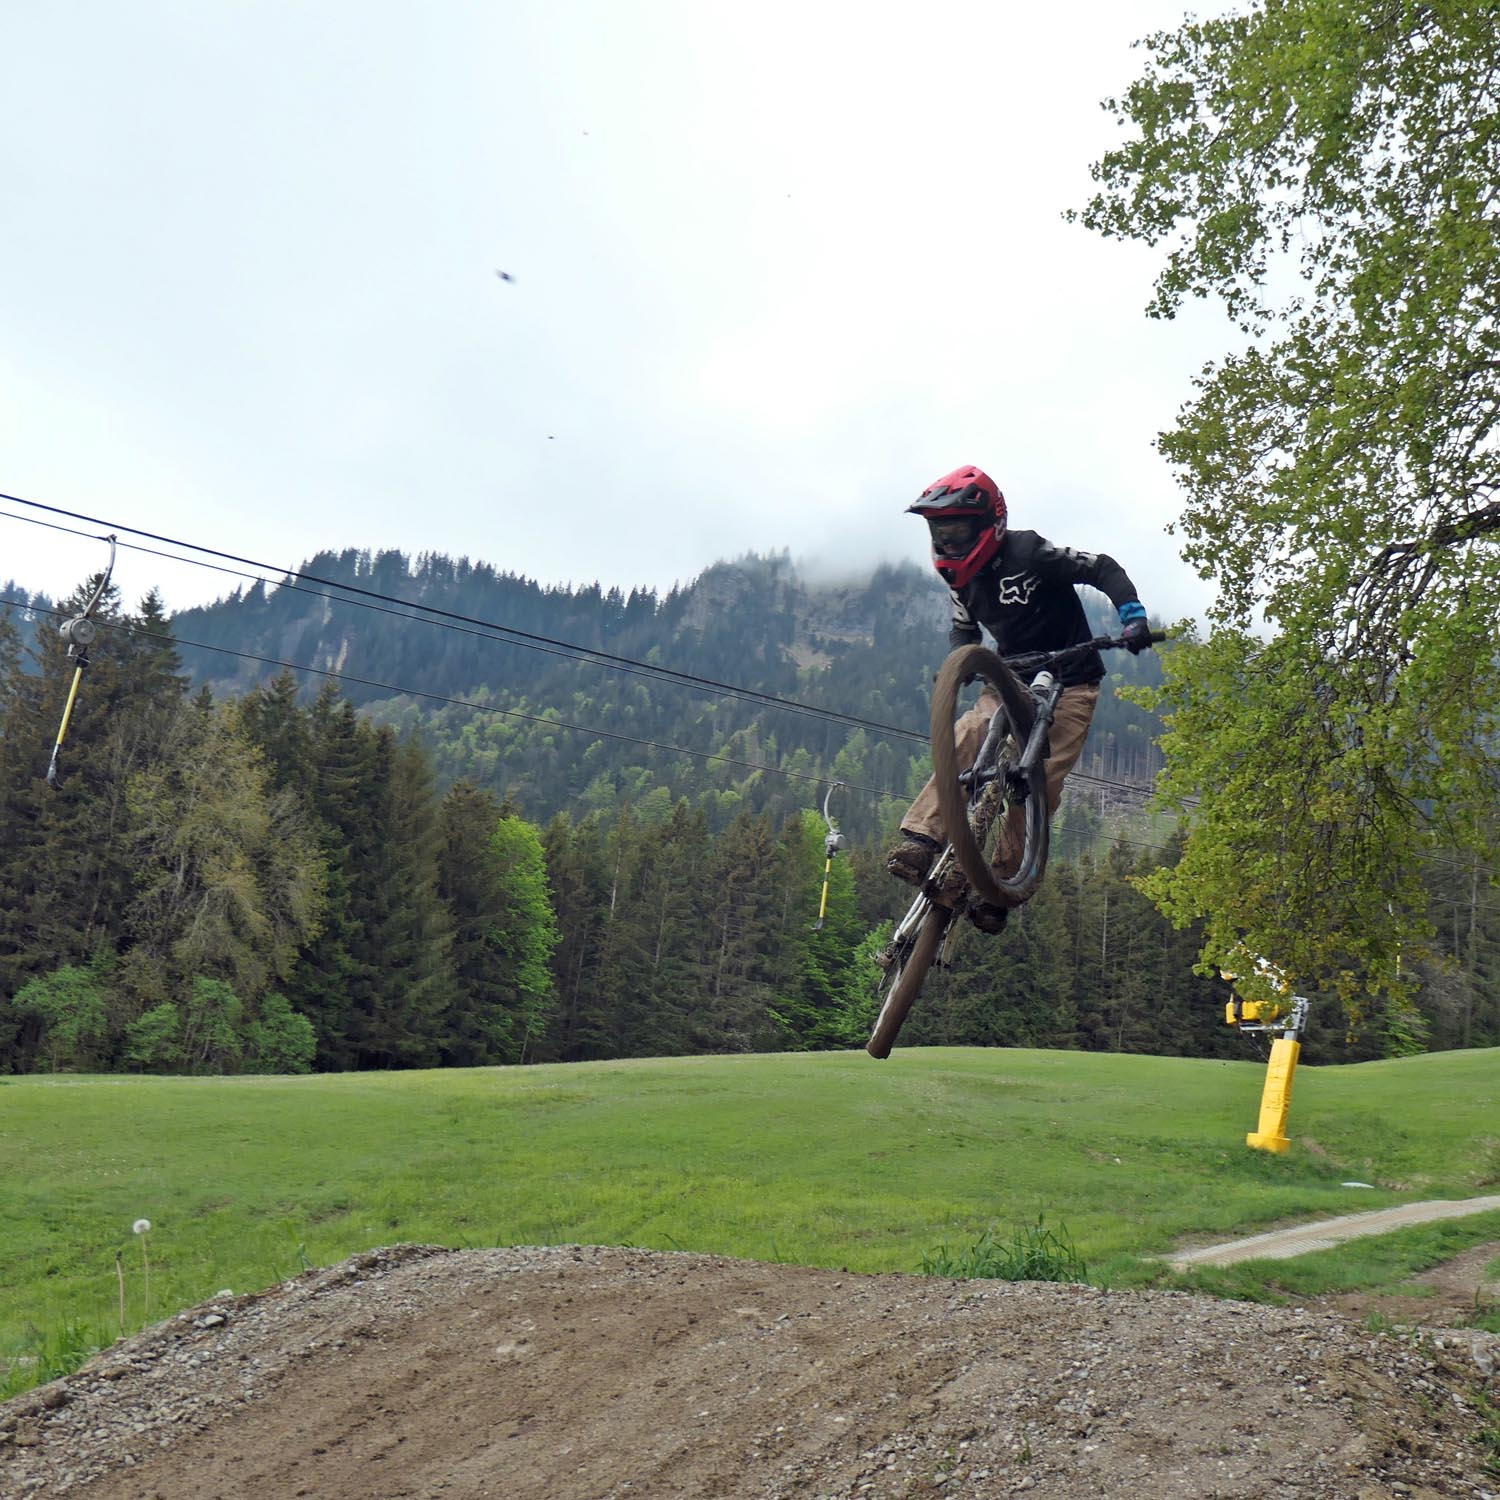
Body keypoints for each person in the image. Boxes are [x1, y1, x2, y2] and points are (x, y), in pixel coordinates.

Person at [886, 464, 1154, 933]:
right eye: (940, 531)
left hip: (1074, 682)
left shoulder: (1029, 551)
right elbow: (963, 629)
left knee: (1039, 784)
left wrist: (1132, 618)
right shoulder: (960, 580)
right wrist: (961, 663)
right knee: (970, 731)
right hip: (1010, 676)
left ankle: (1002, 887)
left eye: (957, 530)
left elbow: (1102, 568)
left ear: (989, 522)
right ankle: (921, 839)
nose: (948, 541)